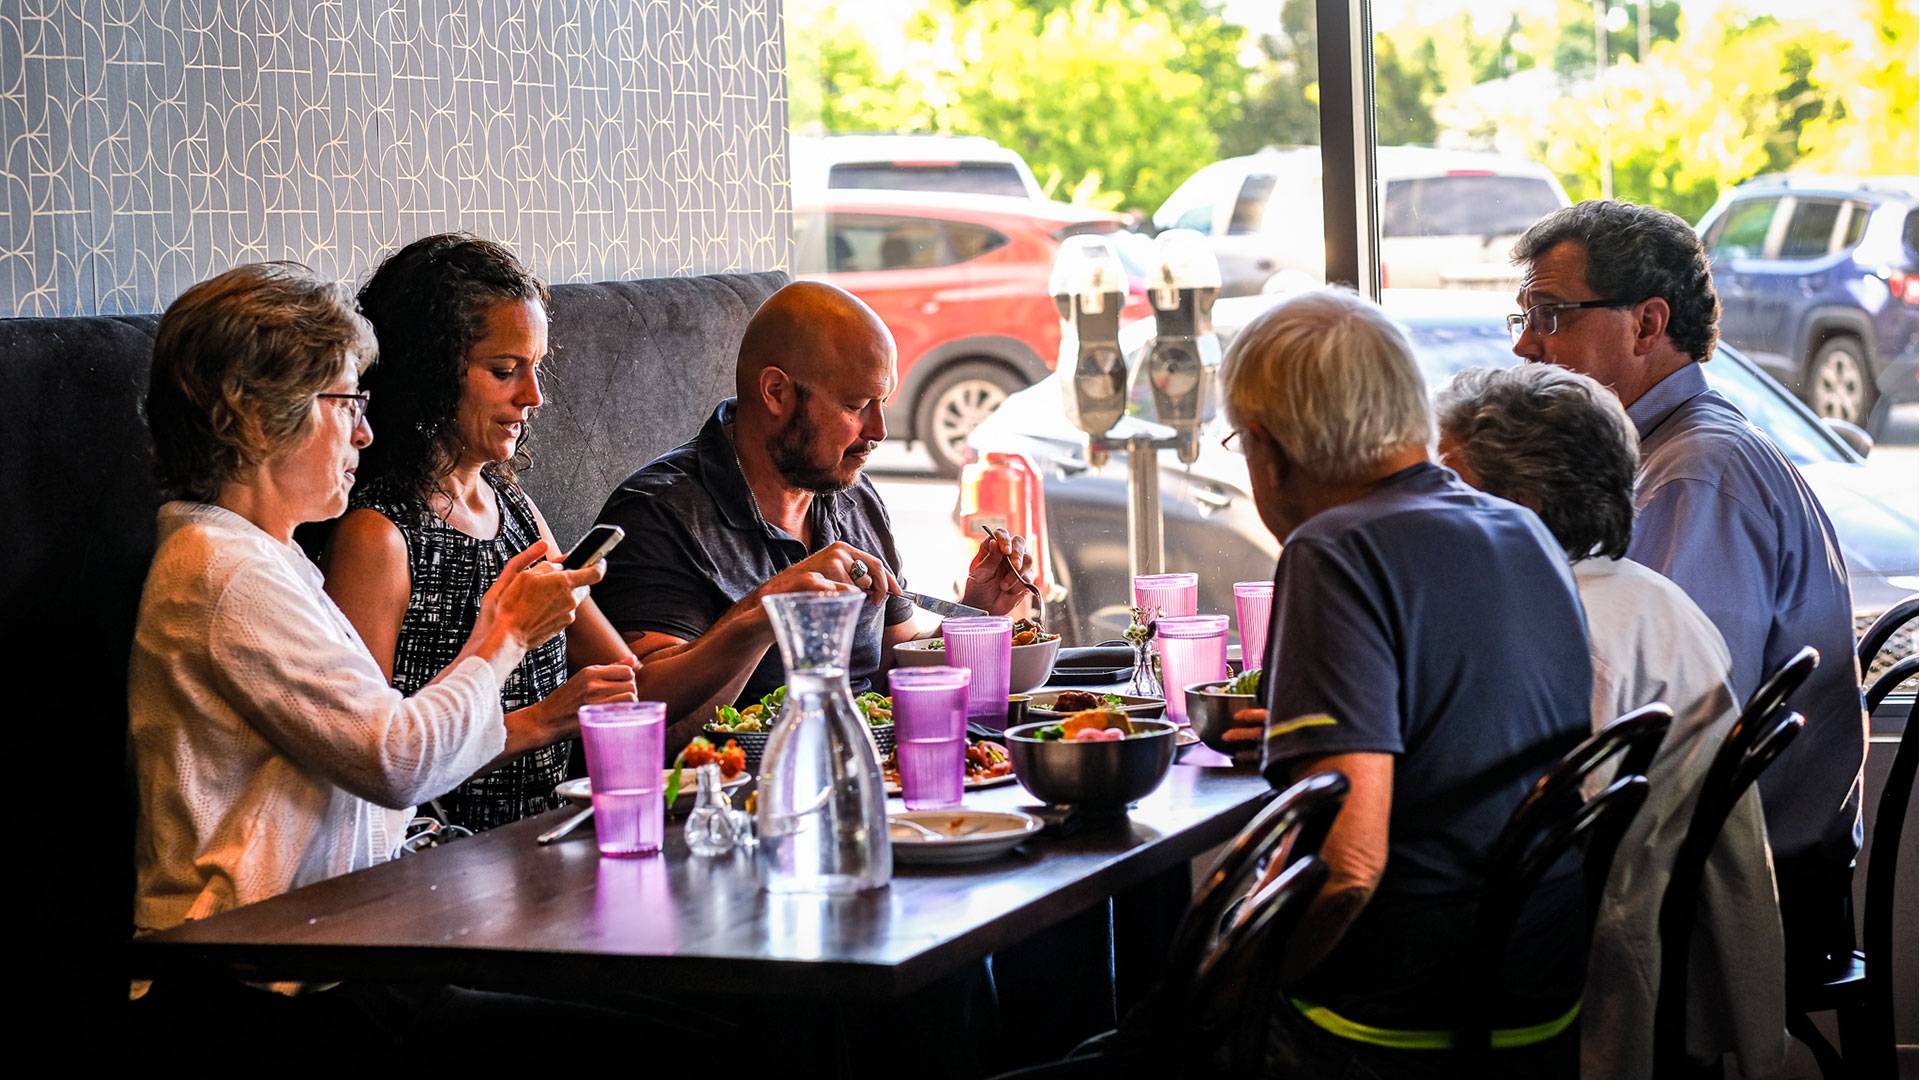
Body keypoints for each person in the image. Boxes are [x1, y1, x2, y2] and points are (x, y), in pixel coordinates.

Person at [130, 263, 602, 1030]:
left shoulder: (264, 558)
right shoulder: (222, 575)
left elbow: (382, 766)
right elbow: (397, 761)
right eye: (346, 401)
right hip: (245, 980)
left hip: (325, 945)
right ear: (255, 418)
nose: (366, 430)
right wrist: (506, 634)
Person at [1213, 289, 1593, 1078]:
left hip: (1396, 1023)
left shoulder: (1333, 551)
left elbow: (1348, 869)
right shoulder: (1519, 527)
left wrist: (1227, 992)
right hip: (1539, 995)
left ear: (1270, 450)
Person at [1510, 200, 1865, 978]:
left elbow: (1664, 732)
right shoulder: (1673, 446)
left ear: (1647, 323)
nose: (1524, 343)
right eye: (1524, 314)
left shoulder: (1694, 473)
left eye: (1551, 314)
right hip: (1733, 853)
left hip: (1749, 887)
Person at [1434, 364, 1787, 1080]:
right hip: (1667, 935)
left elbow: (1544, 848)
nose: (1431, 506)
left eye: (1449, 483)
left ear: (1522, 502)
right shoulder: (1646, 597)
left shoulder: (1564, 637)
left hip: (1595, 968)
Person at [593, 280, 1036, 748]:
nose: (879, 430)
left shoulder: (850, 493)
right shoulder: (657, 514)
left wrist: (979, 609)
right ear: (777, 392)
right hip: (739, 796)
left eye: (881, 403)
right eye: (856, 405)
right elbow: (644, 723)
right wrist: (767, 612)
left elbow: (895, 655)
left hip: (869, 772)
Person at [323, 234, 638, 832]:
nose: (534, 396)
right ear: (431, 373)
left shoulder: (511, 506)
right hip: (443, 858)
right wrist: (544, 719)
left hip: (544, 840)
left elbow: (625, 678)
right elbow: (374, 763)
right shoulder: (378, 534)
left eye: (536, 368)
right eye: (504, 371)